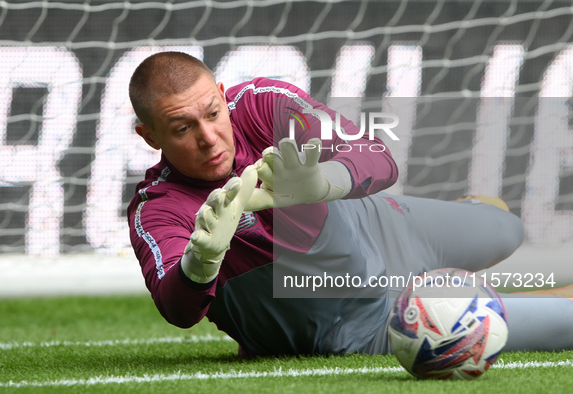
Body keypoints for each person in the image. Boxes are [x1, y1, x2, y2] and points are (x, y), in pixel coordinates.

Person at [127, 51, 573, 357]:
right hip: (360, 325)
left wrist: (322, 183)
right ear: (149, 136)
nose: (209, 138)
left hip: (382, 229)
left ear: (223, 95)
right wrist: (201, 261)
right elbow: (178, 310)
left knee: (505, 228)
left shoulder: (263, 103)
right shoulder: (158, 207)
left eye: (212, 113)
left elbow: (377, 157)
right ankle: (453, 295)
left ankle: (446, 268)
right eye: (182, 129)